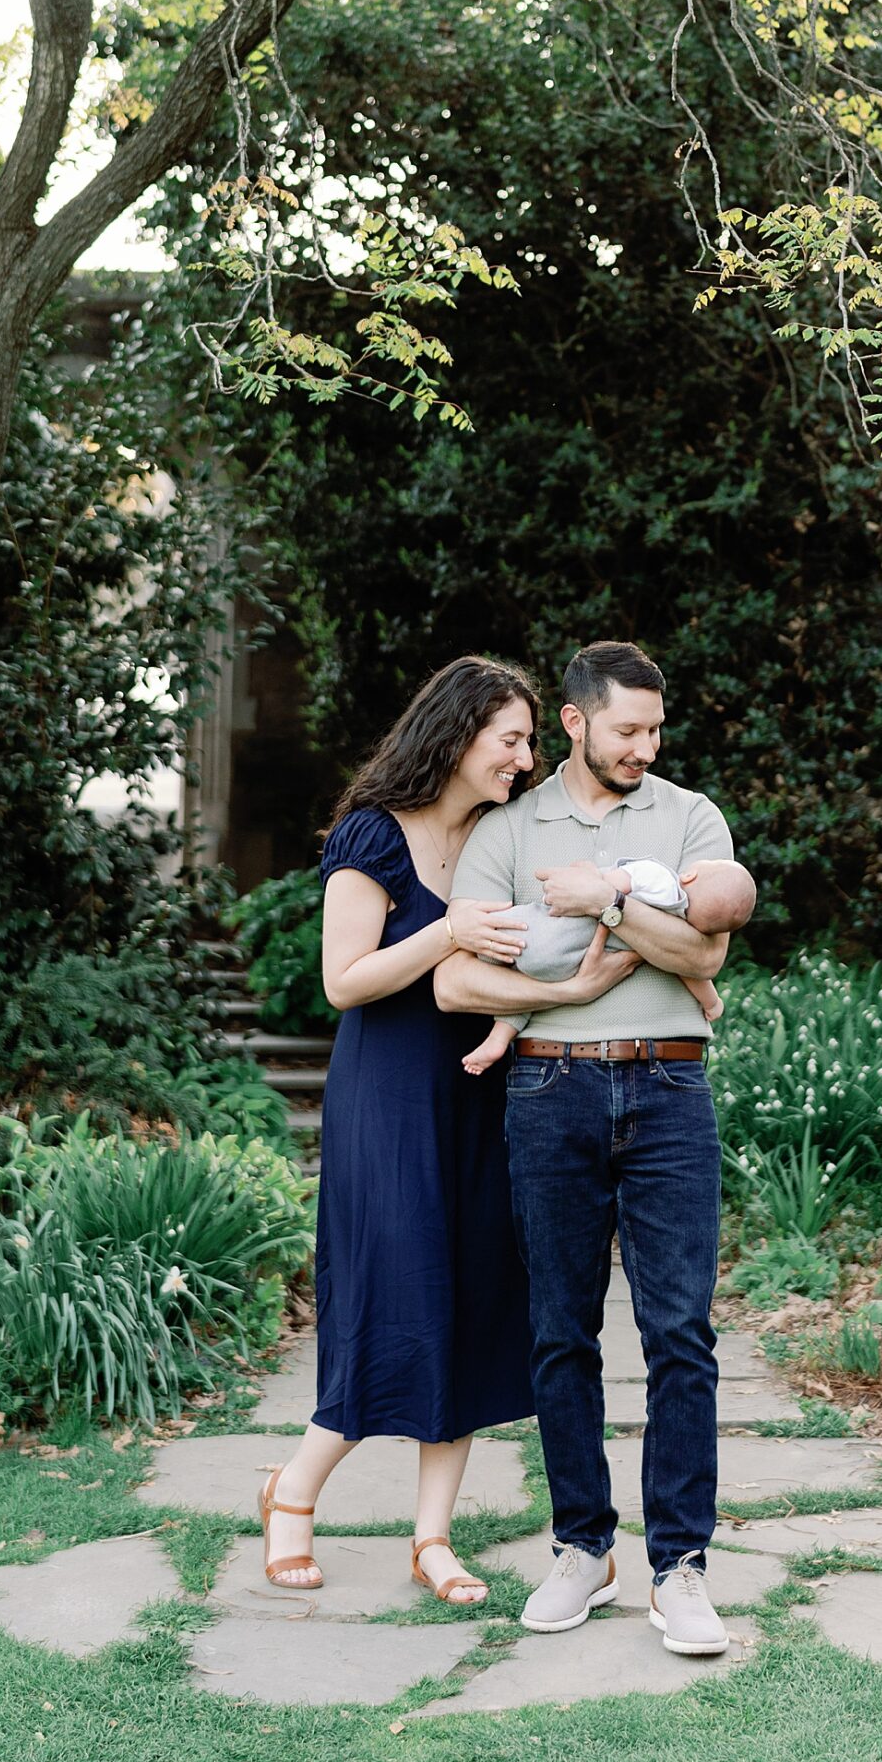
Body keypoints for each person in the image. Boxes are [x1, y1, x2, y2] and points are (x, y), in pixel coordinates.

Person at [257, 655, 627, 1606]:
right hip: (388, 1097)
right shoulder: (370, 836)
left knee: (467, 1298)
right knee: (393, 1290)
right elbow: (345, 981)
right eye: (511, 738)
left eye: (530, 740)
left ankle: (432, 1539)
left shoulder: (501, 838)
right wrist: (448, 931)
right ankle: (292, 1492)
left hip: (481, 1088)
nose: (526, 756)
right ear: (459, 735)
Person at [436, 640, 744, 1658]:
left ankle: (680, 1568)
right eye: (626, 730)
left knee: (678, 1334)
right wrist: (566, 985)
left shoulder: (690, 817)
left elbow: (701, 949)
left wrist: (608, 900)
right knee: (559, 1332)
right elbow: (460, 981)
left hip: (667, 1085)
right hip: (547, 1089)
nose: (644, 747)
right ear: (573, 722)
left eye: (654, 730)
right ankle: (582, 1548)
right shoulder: (506, 829)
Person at [459, 857, 758, 1071]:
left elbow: (600, 890)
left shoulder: (661, 878)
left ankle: (460, 932)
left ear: (691, 875)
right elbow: (690, 973)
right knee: (534, 995)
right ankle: (499, 1039)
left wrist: (584, 870)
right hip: (564, 967)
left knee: (490, 935)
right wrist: (713, 1003)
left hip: (544, 931)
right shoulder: (673, 931)